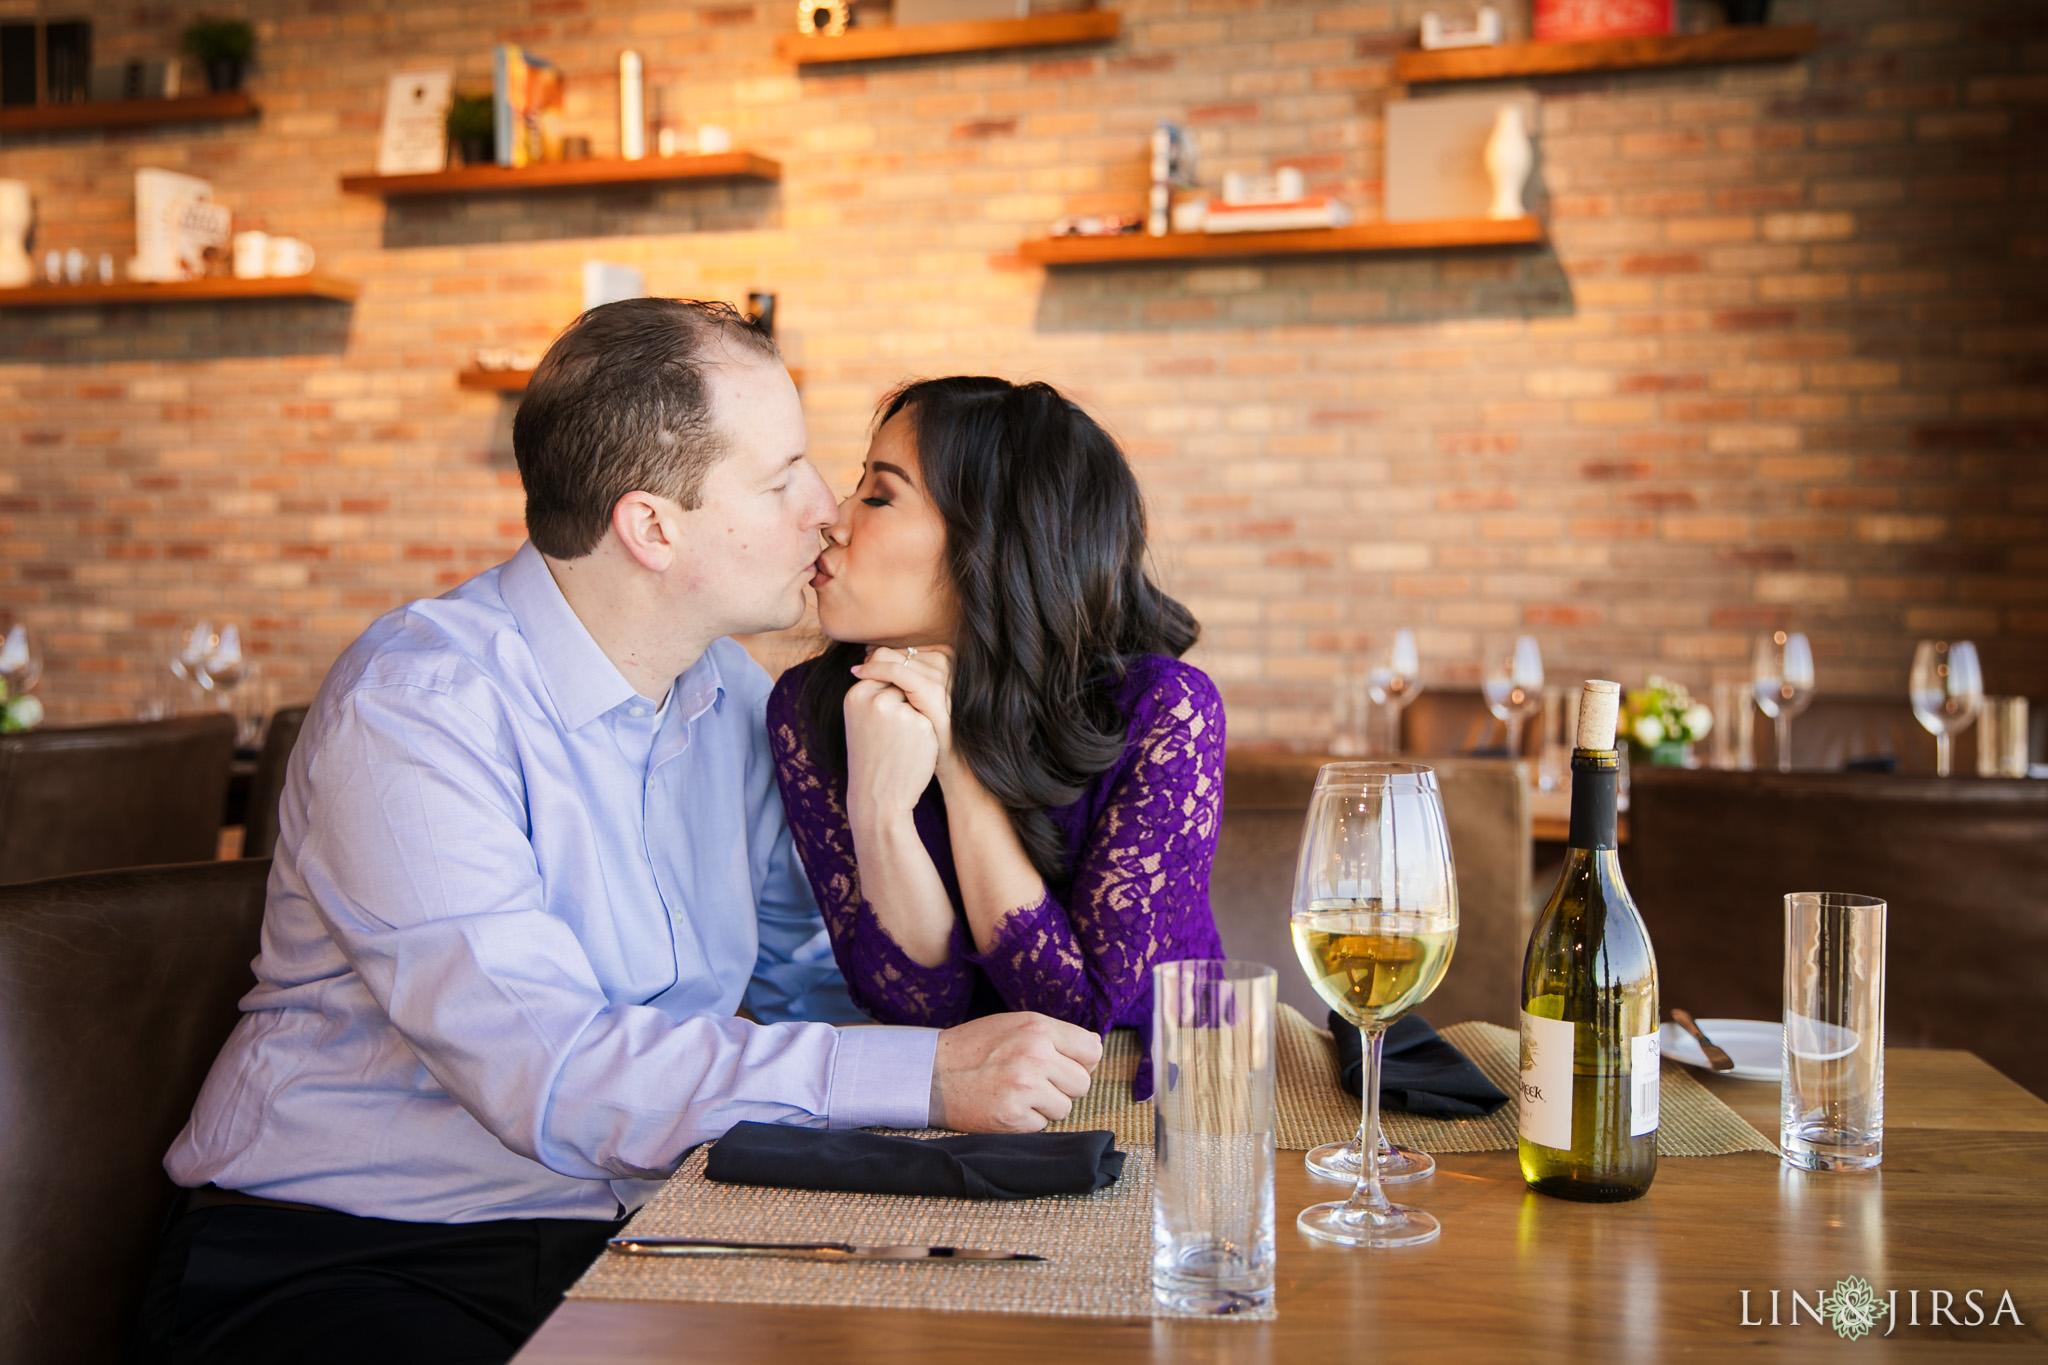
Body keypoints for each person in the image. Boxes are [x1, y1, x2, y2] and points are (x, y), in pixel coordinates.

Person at [136, 302, 1102, 1365]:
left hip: (647, 1231)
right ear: (652, 528)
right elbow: (547, 1072)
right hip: (350, 1251)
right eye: (782, 479)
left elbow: (801, 984)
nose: (826, 513)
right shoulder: (419, 705)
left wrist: (1007, 1019)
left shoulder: (732, 698)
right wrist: (925, 1077)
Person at [767, 377, 1226, 1099]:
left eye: (879, 496)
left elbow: (1080, 1015)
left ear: (991, 542)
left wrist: (963, 774)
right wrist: (879, 809)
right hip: (961, 1106)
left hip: (1167, 1101)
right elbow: (912, 1009)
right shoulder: (815, 709)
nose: (832, 516)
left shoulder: (1165, 711)